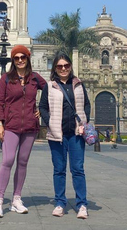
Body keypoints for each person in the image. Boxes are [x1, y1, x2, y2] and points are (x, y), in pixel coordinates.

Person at [0, 45, 46, 219]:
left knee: (22, 162)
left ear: (28, 58)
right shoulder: (6, 79)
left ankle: (16, 199)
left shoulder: (35, 79)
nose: (20, 60)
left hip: (30, 126)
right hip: (11, 126)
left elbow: (52, 91)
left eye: (23, 57)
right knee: (7, 161)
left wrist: (44, 110)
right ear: (13, 60)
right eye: (17, 58)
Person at [39, 53, 91, 219]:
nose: (63, 69)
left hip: (76, 135)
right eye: (60, 66)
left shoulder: (78, 84)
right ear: (55, 68)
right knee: (59, 170)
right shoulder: (50, 85)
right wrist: (50, 122)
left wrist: (84, 121)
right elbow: (43, 107)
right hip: (57, 135)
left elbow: (87, 105)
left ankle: (82, 204)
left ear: (70, 66)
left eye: (66, 66)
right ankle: (60, 202)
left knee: (78, 170)